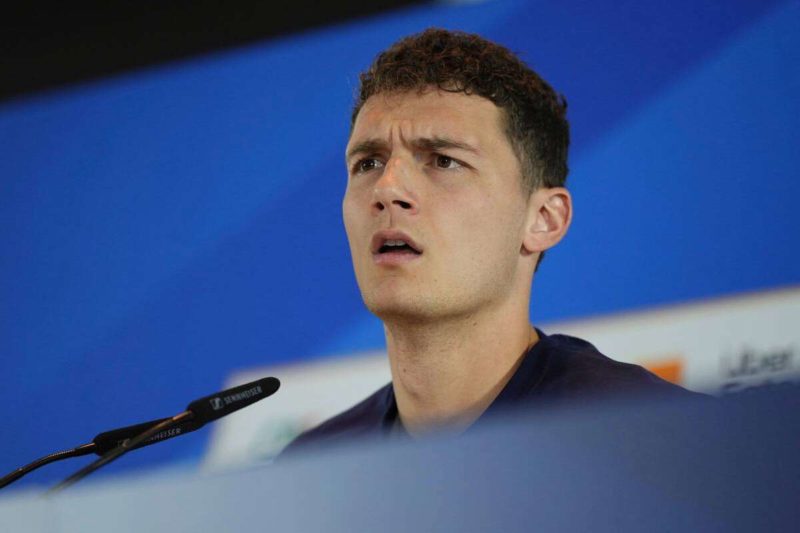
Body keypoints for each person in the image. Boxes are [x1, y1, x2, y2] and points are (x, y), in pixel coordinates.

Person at [284, 28, 695, 453]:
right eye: (368, 162)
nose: (387, 188)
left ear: (543, 219)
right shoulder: (310, 469)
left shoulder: (660, 435)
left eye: (444, 161)